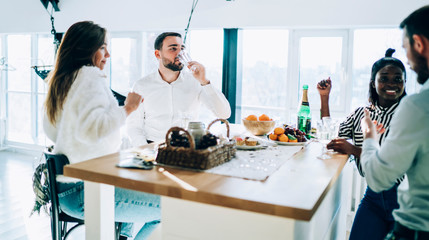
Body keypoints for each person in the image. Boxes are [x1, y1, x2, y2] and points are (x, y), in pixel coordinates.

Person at [43, 21, 160, 239]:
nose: (108, 55)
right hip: (86, 191)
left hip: (65, 191)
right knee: (168, 207)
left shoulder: (61, 80)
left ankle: (124, 236)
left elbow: (52, 131)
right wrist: (129, 108)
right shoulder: (89, 76)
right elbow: (93, 130)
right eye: (103, 47)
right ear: (86, 49)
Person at [317, 48, 407, 239]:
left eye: (397, 78)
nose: (391, 83)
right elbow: (332, 133)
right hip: (373, 196)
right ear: (373, 83)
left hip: (403, 201)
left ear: (404, 84)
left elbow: (394, 162)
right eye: (384, 78)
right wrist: (324, 97)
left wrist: (354, 150)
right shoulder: (360, 113)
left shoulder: (409, 115)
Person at [360, 5, 429, 240]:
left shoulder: (417, 106)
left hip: (417, 229)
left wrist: (370, 136)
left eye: (405, 48)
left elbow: (378, 178)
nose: (407, 59)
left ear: (419, 44)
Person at [126, 32, 231, 146]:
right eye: (173, 49)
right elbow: (133, 127)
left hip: (188, 149)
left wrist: (205, 82)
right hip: (153, 148)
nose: (179, 54)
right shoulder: (141, 86)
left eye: (182, 49)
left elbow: (224, 114)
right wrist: (146, 151)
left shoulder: (195, 82)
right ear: (158, 54)